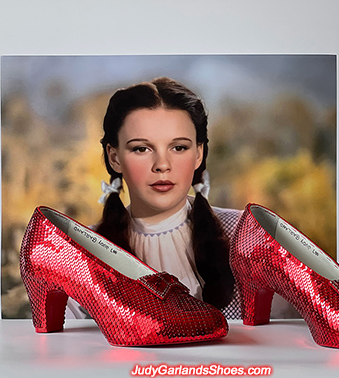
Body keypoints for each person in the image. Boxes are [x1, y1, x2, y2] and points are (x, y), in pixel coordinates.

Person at [66, 77, 243, 320]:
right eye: (141, 148)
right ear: (114, 157)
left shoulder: (244, 235)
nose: (162, 165)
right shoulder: (81, 253)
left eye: (178, 147)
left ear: (199, 153)